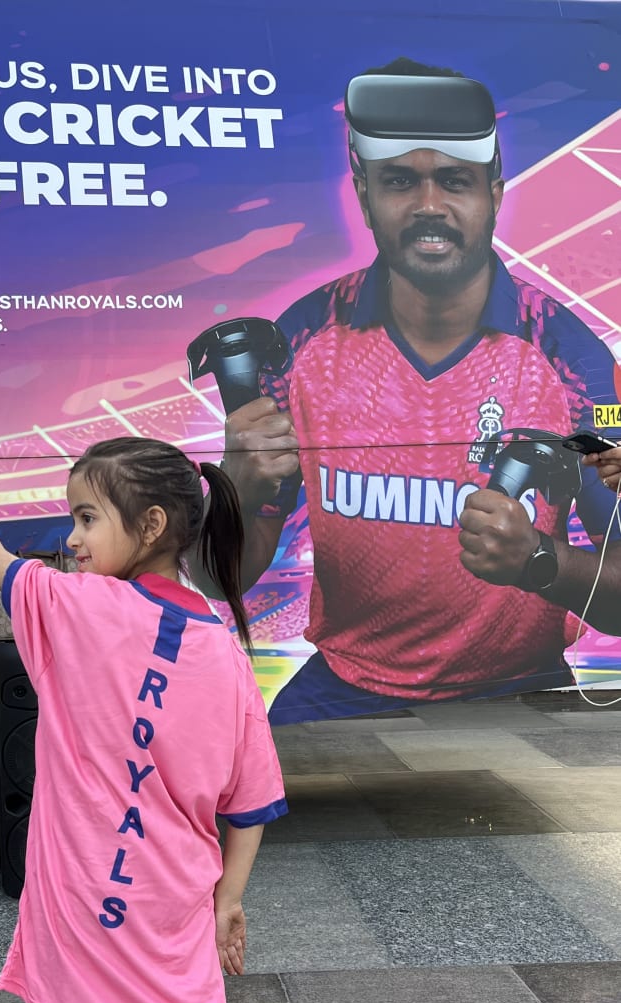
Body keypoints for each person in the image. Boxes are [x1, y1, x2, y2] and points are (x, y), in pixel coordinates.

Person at [216, 57, 621, 723]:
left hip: (521, 687)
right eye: (401, 181)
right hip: (343, 685)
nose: (430, 207)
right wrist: (239, 487)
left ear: (493, 189)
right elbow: (225, 577)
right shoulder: (301, 340)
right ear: (363, 188)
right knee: (262, 809)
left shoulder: (567, 355)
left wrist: (538, 560)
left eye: (455, 182)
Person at [0, 428, 286, 1003]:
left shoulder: (76, 607)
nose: (72, 536)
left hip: (72, 897)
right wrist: (228, 899)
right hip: (174, 903)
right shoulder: (225, 653)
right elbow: (252, 801)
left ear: (153, 526)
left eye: (87, 517)